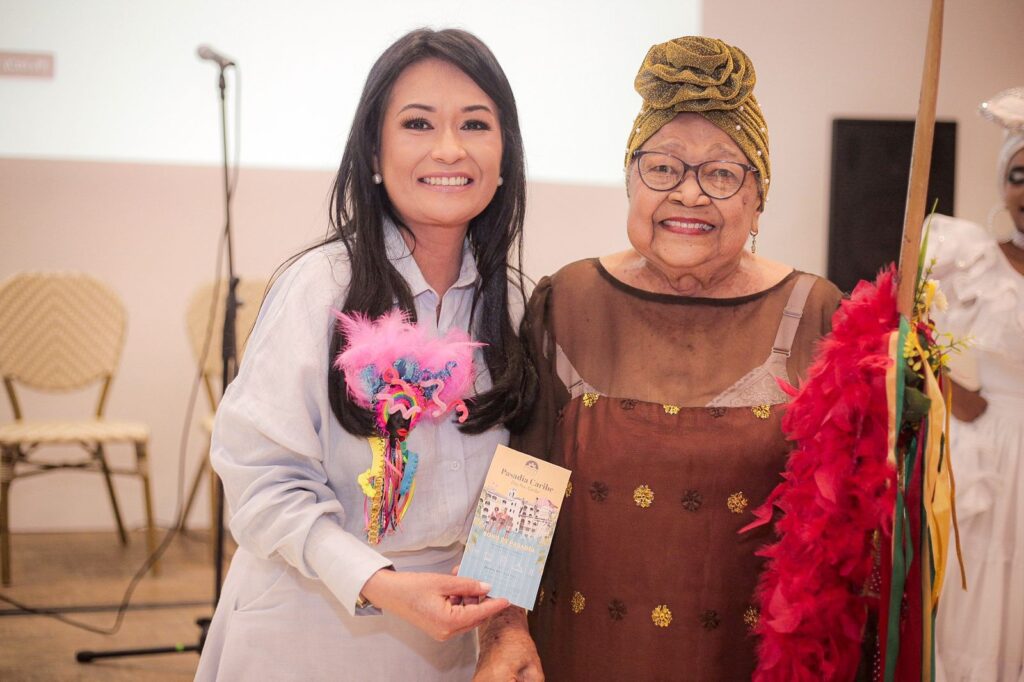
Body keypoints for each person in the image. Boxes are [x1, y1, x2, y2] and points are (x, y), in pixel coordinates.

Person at [194, 28, 541, 681]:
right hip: (310, 622)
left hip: (451, 642)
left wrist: (506, 624)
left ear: (504, 157)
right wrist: (376, 580)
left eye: (474, 124)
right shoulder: (319, 288)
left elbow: (523, 485)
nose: (448, 148)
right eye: (417, 123)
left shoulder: (518, 310)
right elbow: (260, 481)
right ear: (374, 154)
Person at [509, 36, 843, 679]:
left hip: (752, 662)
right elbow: (517, 492)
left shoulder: (818, 313)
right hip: (584, 654)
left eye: (722, 174)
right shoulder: (569, 300)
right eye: (663, 167)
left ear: (757, 199)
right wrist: (502, 632)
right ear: (630, 179)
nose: (689, 195)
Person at [929, 87, 1024, 682]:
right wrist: (945, 386)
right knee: (974, 605)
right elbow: (898, 334)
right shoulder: (966, 260)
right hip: (986, 453)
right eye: (1020, 173)